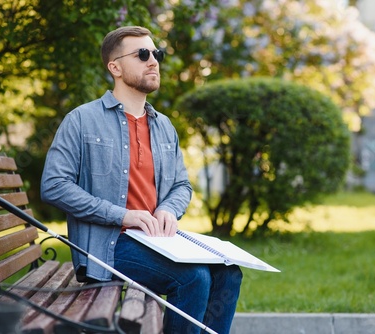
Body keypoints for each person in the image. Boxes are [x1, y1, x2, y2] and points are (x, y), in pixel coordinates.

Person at [40, 26, 243, 334]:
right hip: (109, 244)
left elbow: (181, 186)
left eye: (156, 54)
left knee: (229, 274)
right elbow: (54, 185)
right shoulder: (82, 120)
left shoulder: (164, 126)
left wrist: (168, 210)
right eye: (143, 54)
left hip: (157, 240)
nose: (153, 61)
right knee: (193, 278)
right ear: (115, 67)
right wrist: (123, 215)